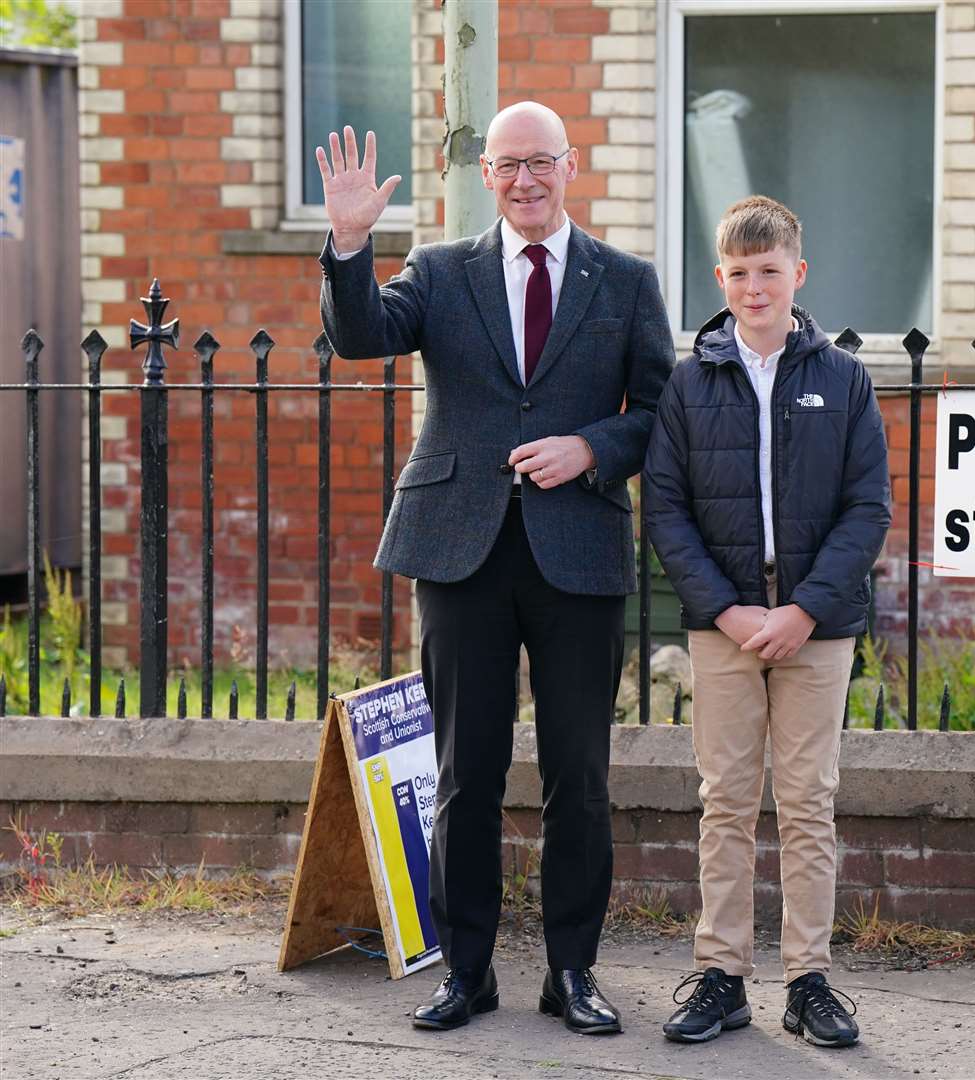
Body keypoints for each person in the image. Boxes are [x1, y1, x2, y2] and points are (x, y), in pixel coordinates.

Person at [314, 103, 675, 1035]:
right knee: (465, 773)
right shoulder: (440, 270)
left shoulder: (626, 281)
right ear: (487, 174)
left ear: (571, 166)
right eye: (509, 164)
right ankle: (466, 972)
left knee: (579, 778)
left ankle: (573, 973)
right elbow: (362, 338)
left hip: (577, 552)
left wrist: (591, 449)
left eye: (541, 163)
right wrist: (349, 244)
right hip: (459, 548)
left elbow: (663, 411)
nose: (525, 180)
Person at [642, 196, 890, 1048]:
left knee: (809, 801)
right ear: (721, 279)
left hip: (815, 630)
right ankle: (722, 974)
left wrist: (803, 610)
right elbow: (666, 511)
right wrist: (729, 608)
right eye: (739, 274)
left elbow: (868, 511)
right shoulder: (689, 382)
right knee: (726, 801)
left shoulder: (844, 380)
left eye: (770, 271)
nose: (755, 287)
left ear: (798, 275)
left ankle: (809, 980)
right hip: (725, 626)